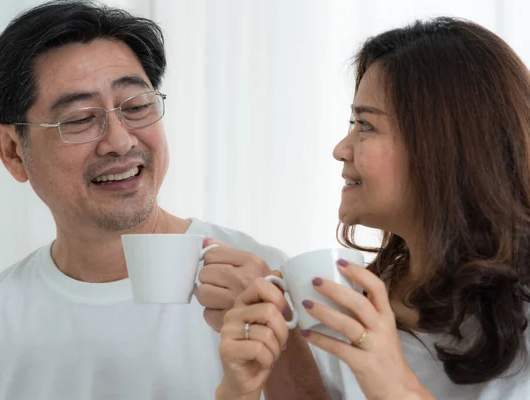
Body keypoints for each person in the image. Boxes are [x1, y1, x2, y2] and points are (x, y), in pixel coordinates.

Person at [0, 1, 314, 399]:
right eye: (79, 119)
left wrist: (283, 346)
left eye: (136, 107)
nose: (120, 141)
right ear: (12, 150)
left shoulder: (268, 282)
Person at [216, 17, 530, 400]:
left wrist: (394, 383)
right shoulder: (355, 301)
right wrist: (266, 362)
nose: (340, 150)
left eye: (365, 125)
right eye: (353, 122)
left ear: (443, 147)